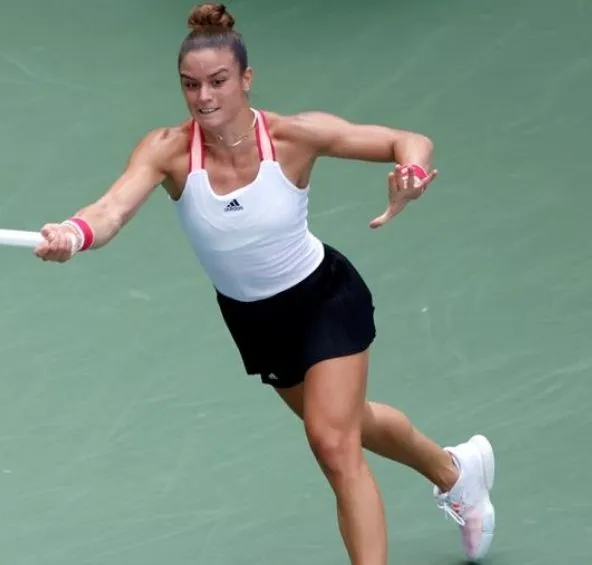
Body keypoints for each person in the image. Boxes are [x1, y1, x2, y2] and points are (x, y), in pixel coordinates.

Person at [33, 3, 496, 564]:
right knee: (352, 421)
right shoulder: (168, 151)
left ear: (246, 80)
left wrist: (411, 176)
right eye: (190, 85)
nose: (204, 98)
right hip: (255, 322)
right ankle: (456, 471)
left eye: (218, 82)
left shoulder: (294, 137)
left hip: (325, 298)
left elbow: (408, 140)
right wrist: (73, 234)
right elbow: (110, 210)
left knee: (332, 443)